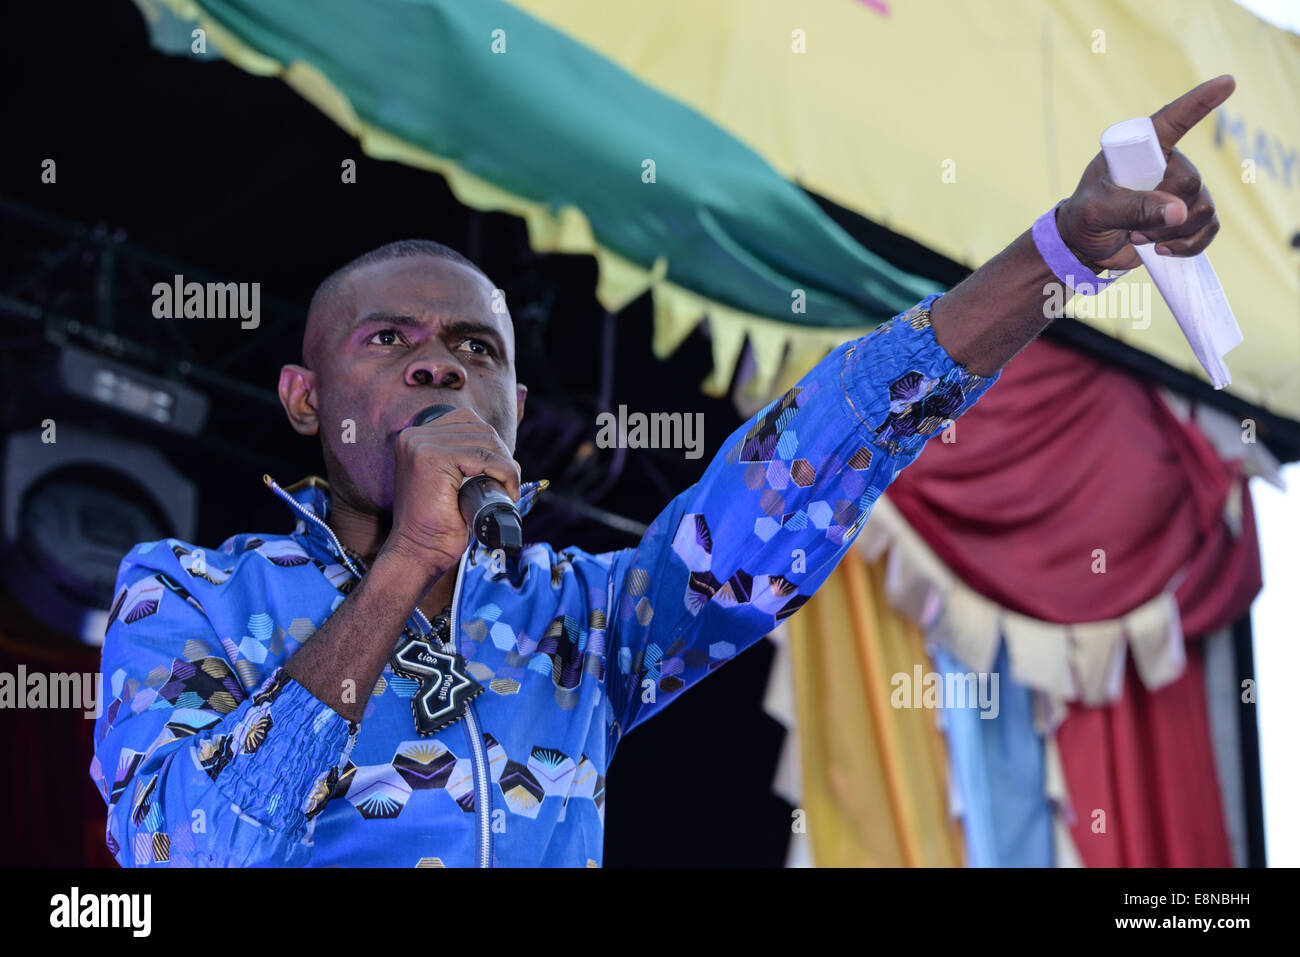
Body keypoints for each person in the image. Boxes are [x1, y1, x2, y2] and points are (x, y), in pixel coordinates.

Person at [90, 77, 1234, 867]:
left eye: (475, 348)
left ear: (517, 411)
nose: (438, 360)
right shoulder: (188, 592)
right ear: (304, 400)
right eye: (387, 342)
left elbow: (820, 451)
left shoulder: (584, 625)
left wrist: (1054, 260)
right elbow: (185, 849)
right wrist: (407, 568)